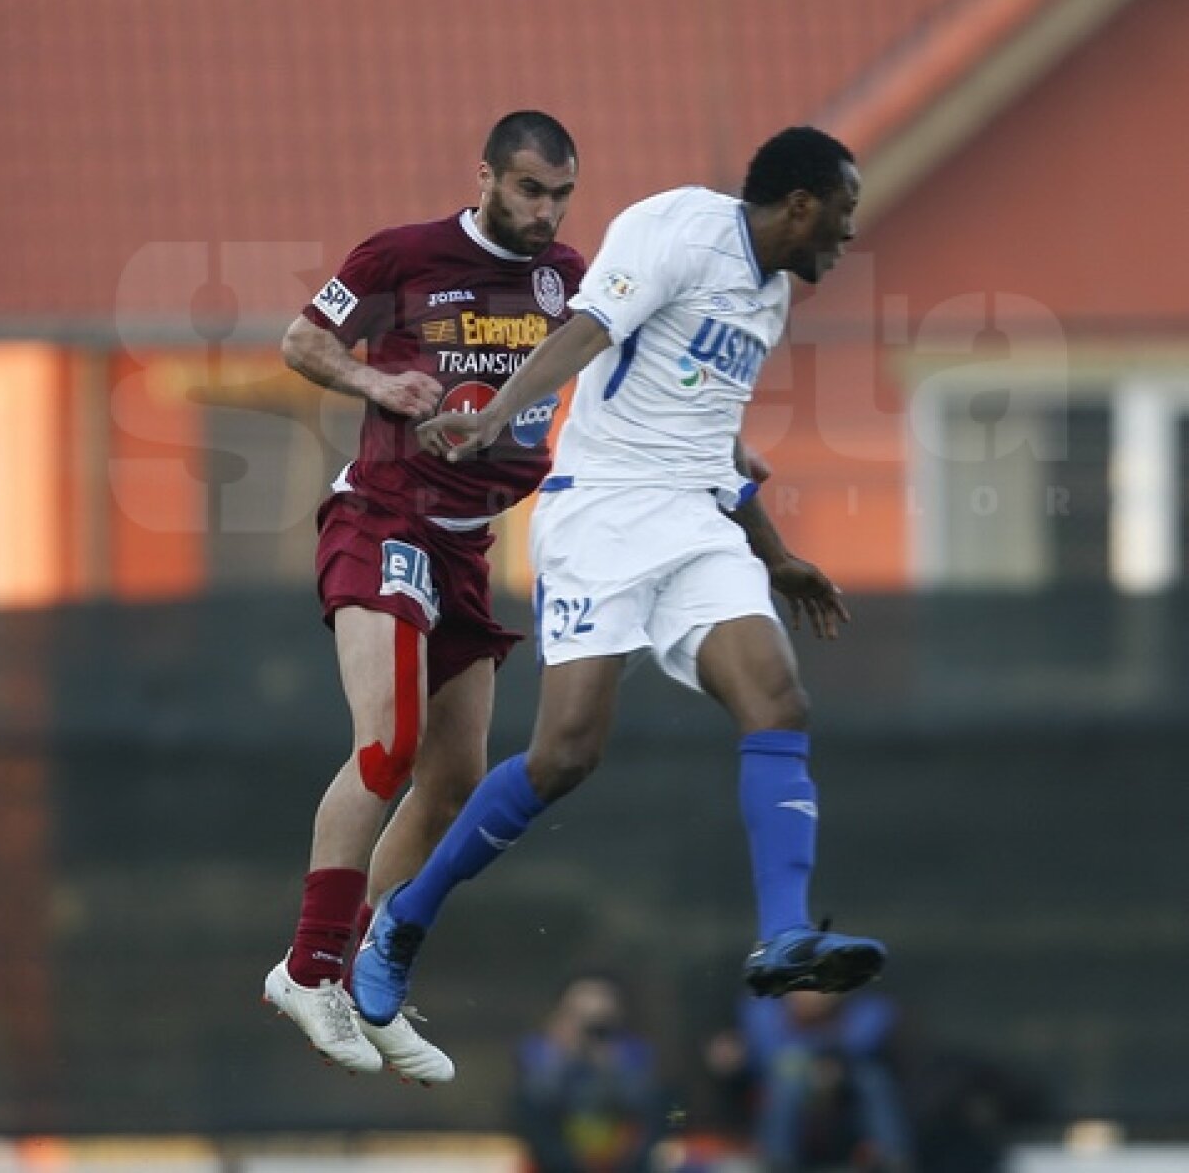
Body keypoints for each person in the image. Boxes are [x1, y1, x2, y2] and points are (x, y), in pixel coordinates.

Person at [350, 124, 887, 1035]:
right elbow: (589, 330)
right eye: (840, 219)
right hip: (600, 512)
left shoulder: (770, 299)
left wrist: (773, 552)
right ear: (800, 206)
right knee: (566, 755)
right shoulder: (678, 227)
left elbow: (710, 435)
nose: (844, 238)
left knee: (779, 703)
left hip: (693, 524)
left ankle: (785, 936)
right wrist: (493, 421)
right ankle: (401, 921)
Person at [264, 110, 584, 1079]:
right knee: (386, 742)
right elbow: (298, 340)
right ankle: (306, 970)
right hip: (384, 523)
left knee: (453, 777)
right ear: (484, 176)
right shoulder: (403, 255)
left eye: (562, 194)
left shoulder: (564, 277)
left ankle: (364, 970)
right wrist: (376, 381)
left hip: (466, 551)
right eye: (530, 189)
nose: (546, 212)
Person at [706, 989, 914, 1172]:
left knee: (873, 1078)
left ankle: (893, 1158)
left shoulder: (865, 1014)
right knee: (788, 1079)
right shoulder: (762, 1016)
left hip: (846, 1120)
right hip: (780, 1119)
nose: (810, 996)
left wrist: (831, 1063)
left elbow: (865, 1043)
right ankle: (777, 1163)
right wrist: (733, 1061)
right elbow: (752, 1062)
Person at [513, 971, 667, 1173]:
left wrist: (610, 1065)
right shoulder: (540, 1052)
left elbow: (651, 1114)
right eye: (580, 1017)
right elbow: (533, 1112)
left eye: (600, 1023)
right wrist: (561, 1057)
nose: (590, 1032)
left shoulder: (633, 1053)